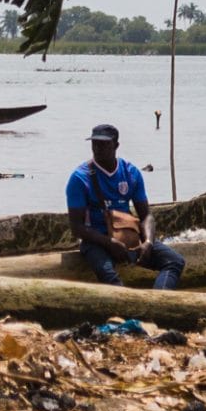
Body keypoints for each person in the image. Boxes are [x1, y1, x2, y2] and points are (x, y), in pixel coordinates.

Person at [66, 123, 186, 291]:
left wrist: (149, 242)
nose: (98, 148)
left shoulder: (131, 173)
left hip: (128, 236)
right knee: (107, 273)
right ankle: (128, 310)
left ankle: (158, 302)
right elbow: (77, 227)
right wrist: (109, 243)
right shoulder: (80, 178)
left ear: (116, 146)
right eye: (95, 144)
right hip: (97, 240)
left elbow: (146, 216)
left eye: (104, 144)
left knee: (175, 261)